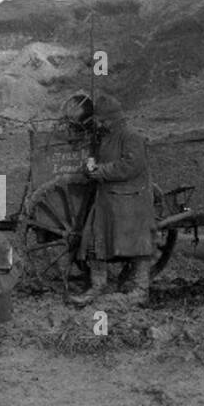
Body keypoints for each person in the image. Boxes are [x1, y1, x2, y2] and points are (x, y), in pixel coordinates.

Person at [74, 94, 157, 306]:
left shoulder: (132, 136)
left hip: (130, 202)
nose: (99, 124)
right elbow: (100, 160)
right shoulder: (107, 136)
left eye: (102, 121)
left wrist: (100, 171)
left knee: (138, 246)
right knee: (94, 241)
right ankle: (97, 286)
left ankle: (140, 290)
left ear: (112, 119)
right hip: (108, 200)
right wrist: (89, 166)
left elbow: (130, 166)